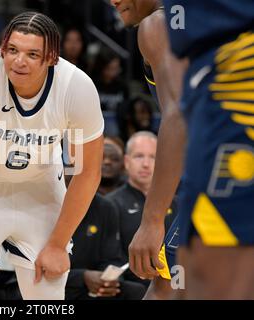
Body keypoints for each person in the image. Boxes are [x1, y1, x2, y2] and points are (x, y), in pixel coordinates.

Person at [0, 11, 104, 300]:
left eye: (31, 54)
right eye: (12, 50)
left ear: (51, 57)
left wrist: (57, 244)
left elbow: (87, 171)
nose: (19, 61)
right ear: (2, 49)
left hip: (39, 187)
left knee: (48, 296)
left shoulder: (76, 89)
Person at [162, 0, 254, 299]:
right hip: (214, 68)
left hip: (238, 63)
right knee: (193, 270)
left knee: (218, 276)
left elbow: (174, 116)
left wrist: (151, 220)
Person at [110, 0, 188, 299]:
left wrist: (152, 220)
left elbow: (177, 116)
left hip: (232, 178)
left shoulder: (158, 24)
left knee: (165, 291)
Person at [106, 131, 176, 288]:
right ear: (126, 161)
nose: (146, 164)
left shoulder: (178, 204)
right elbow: (109, 261)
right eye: (139, 156)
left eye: (153, 157)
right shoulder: (110, 204)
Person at [66, 175, 145, 300]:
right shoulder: (44, 207)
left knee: (135, 291)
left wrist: (109, 279)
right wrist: (83, 277)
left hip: (92, 286)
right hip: (60, 283)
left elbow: (111, 258)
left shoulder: (105, 207)